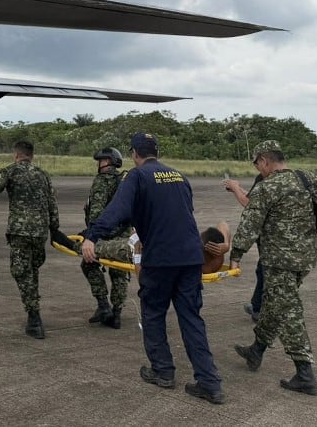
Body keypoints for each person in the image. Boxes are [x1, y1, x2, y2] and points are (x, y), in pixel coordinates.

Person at [82, 132, 225, 405]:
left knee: (154, 314)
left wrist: (92, 235)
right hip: (191, 256)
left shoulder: (137, 176)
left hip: (161, 259)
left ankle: (163, 371)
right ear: (156, 152)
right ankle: (210, 383)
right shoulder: (179, 176)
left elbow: (117, 210)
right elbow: (185, 212)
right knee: (192, 318)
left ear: (135, 153)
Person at [228, 140, 317, 396]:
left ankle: (305, 372)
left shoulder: (267, 187)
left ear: (264, 161)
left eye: (256, 164)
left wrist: (236, 255)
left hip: (279, 262)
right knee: (276, 304)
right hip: (304, 260)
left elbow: (250, 224)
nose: (257, 168)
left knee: (289, 312)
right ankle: (256, 350)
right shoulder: (309, 180)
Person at [0, 140, 59, 340]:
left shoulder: (8, 172)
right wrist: (55, 229)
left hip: (20, 231)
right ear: (32, 155)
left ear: (16, 154)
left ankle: (34, 316)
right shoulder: (43, 175)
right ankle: (34, 311)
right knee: (32, 270)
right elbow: (52, 203)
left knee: (21, 271)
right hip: (39, 232)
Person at [80, 147, 131, 329]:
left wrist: (91, 234)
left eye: (101, 161)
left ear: (108, 161)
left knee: (88, 263)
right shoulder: (126, 181)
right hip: (124, 235)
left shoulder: (102, 180)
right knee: (119, 272)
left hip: (105, 235)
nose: (98, 164)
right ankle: (116, 314)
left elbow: (96, 211)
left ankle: (103, 306)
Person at [223, 173, 264, 322]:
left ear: (264, 161)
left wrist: (235, 187)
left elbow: (250, 204)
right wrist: (237, 188)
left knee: (265, 271)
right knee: (263, 270)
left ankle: (259, 309)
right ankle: (257, 305)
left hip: (271, 239)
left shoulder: (264, 178)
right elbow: (255, 197)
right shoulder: (284, 179)